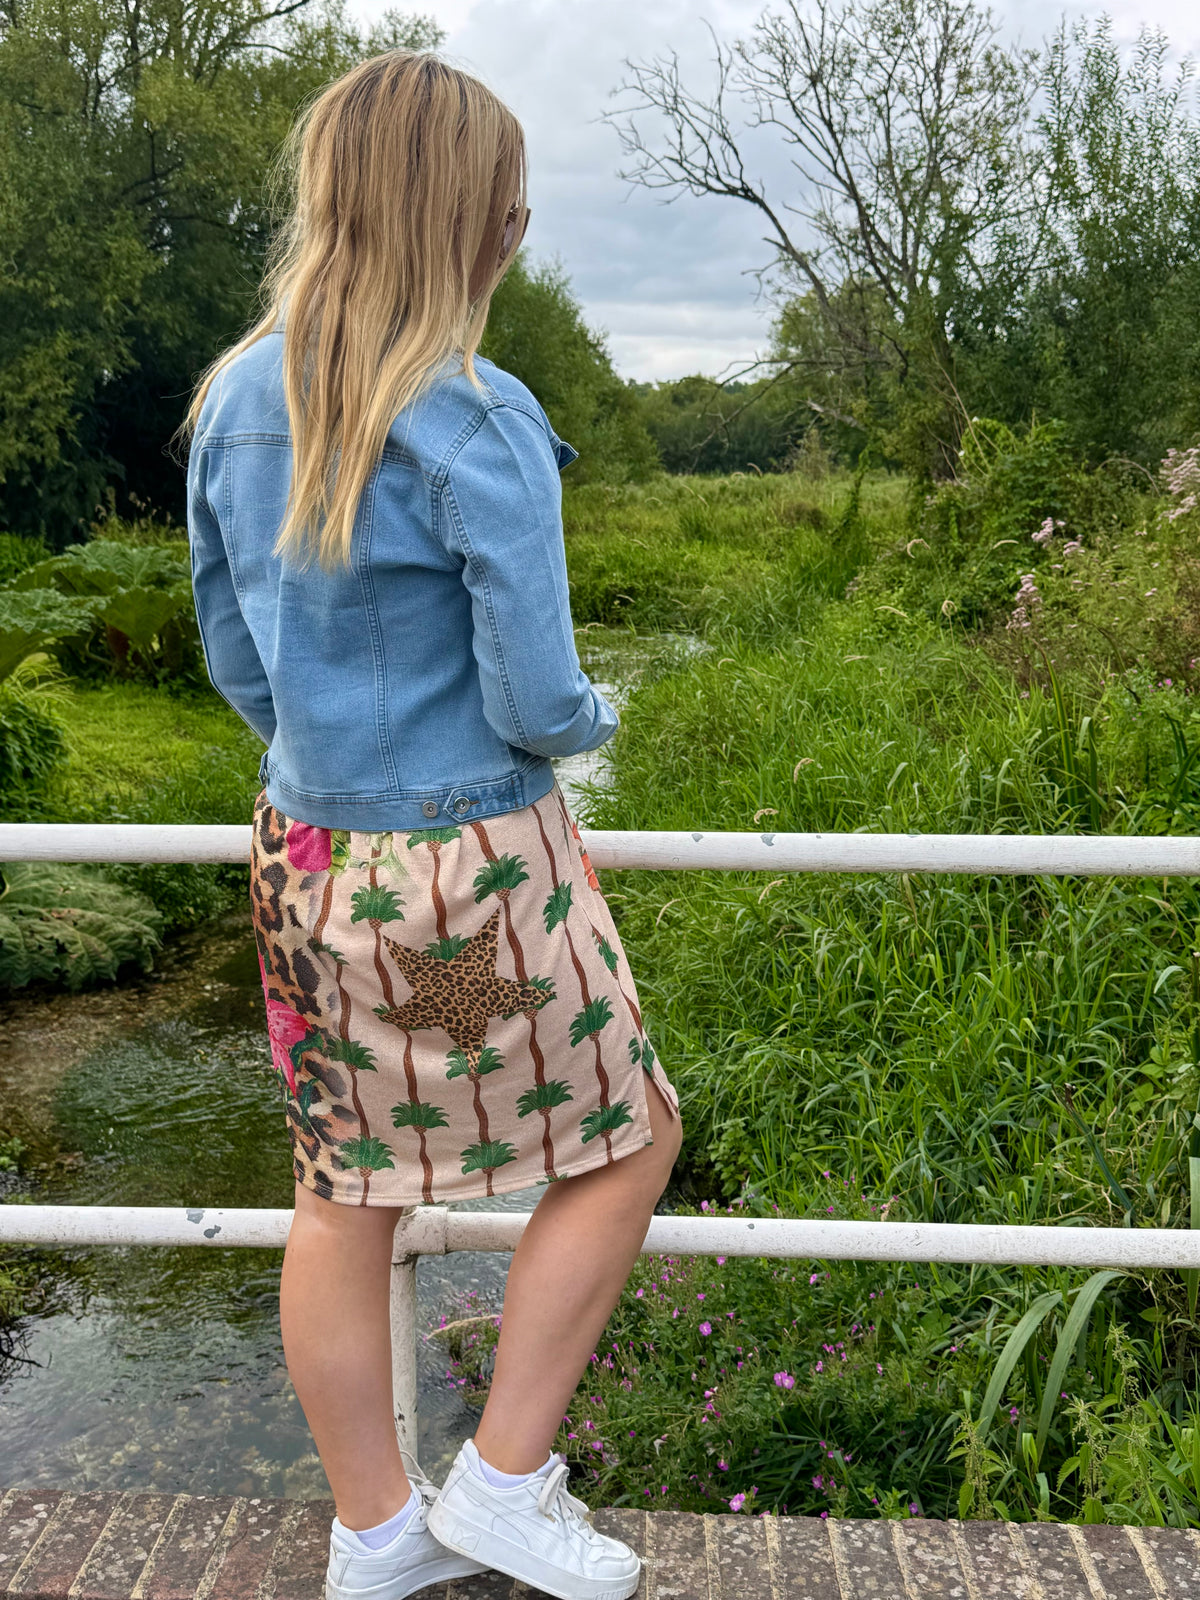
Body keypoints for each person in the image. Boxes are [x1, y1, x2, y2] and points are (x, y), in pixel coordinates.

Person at [179, 47, 682, 1600]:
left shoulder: (231, 399)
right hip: (470, 873)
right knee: (625, 1137)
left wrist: (329, 759)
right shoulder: (474, 410)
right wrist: (591, 723)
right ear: (488, 230)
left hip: (310, 859)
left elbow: (232, 657)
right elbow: (535, 691)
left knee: (345, 1192)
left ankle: (374, 1531)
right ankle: (502, 1484)